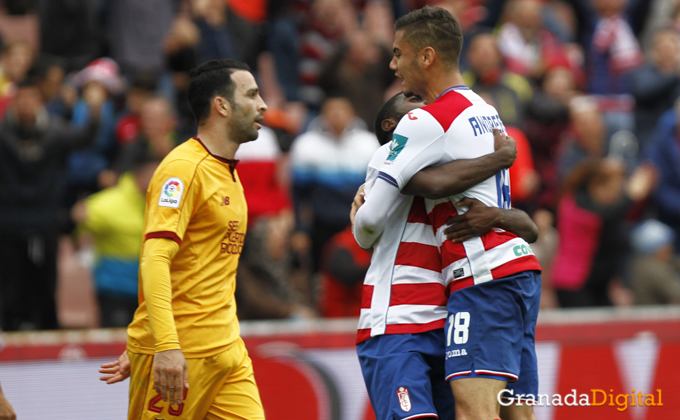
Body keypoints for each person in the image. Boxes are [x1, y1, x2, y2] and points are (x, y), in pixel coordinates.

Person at [353, 7, 542, 420]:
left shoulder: (423, 121)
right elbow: (525, 222)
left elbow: (369, 224)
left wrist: (365, 204)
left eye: (398, 53)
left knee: (476, 413)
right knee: (516, 413)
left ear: (425, 57)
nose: (393, 65)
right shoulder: (485, 110)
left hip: (481, 278)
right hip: (516, 271)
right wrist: (501, 163)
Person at [100, 59, 267, 420]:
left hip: (226, 347)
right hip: (182, 352)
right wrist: (163, 344)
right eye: (252, 94)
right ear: (221, 105)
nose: (263, 105)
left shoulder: (227, 172)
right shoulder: (182, 170)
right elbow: (154, 259)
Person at [0, 75, 102, 331]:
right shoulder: (2, 134)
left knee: (46, 284)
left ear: (40, 101)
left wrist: (94, 111)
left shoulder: (55, 132)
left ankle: (47, 330)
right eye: (20, 99)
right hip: (8, 223)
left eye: (31, 98)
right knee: (10, 284)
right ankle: (10, 330)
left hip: (45, 221)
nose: (26, 104)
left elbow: (84, 139)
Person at [71, 149, 160, 327]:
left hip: (153, 291)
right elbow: (78, 226)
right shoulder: (106, 204)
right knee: (116, 347)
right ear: (139, 174)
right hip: (115, 289)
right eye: (155, 174)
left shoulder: (164, 202)